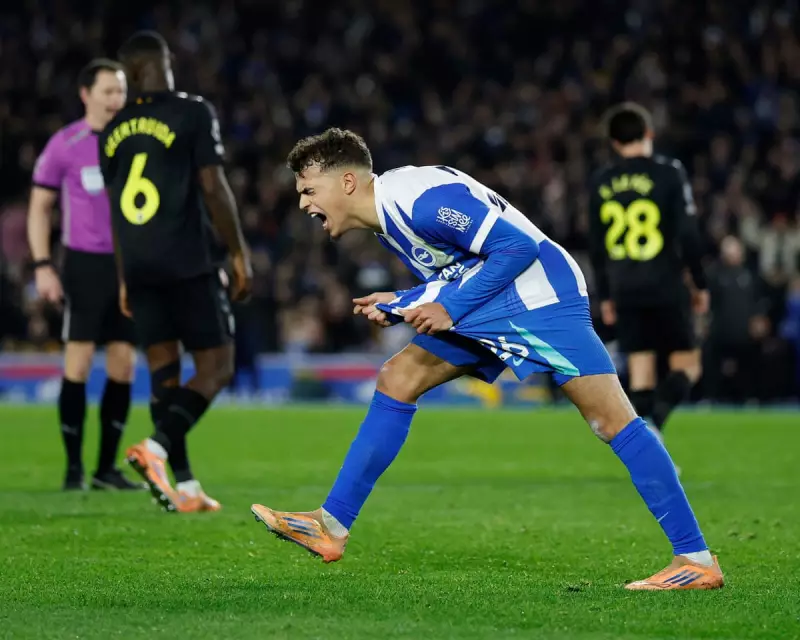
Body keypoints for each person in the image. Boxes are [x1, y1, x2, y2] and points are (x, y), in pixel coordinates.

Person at [251, 128, 724, 591]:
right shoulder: (388, 218)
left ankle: (696, 559)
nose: (303, 203)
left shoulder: (419, 202)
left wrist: (449, 307)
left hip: (540, 300)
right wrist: (404, 300)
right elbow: (461, 269)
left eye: (309, 190)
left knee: (612, 421)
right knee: (398, 377)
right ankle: (331, 525)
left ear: (347, 182)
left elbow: (517, 247)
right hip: (492, 302)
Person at [98, 31, 252, 513]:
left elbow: (115, 212)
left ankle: (183, 486)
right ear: (159, 62)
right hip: (185, 259)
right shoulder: (192, 112)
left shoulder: (111, 129)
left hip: (138, 264)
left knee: (165, 375)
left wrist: (124, 276)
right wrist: (238, 252)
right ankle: (156, 448)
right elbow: (213, 185)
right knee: (217, 366)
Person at [28, 59, 142, 492]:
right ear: (85, 94)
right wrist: (43, 266)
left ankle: (105, 470)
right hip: (84, 264)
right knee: (77, 362)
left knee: (124, 365)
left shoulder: (137, 141)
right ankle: (74, 469)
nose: (116, 99)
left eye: (121, 91)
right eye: (108, 91)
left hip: (128, 266)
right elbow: (39, 208)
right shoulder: (65, 144)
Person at [588, 103, 709, 451]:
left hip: (624, 286)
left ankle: (646, 449)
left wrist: (606, 295)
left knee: (641, 371)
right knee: (689, 365)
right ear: (649, 133)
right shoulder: (669, 173)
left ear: (614, 142)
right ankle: (654, 421)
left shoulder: (601, 180)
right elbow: (688, 233)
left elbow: (597, 245)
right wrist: (699, 283)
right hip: (665, 282)